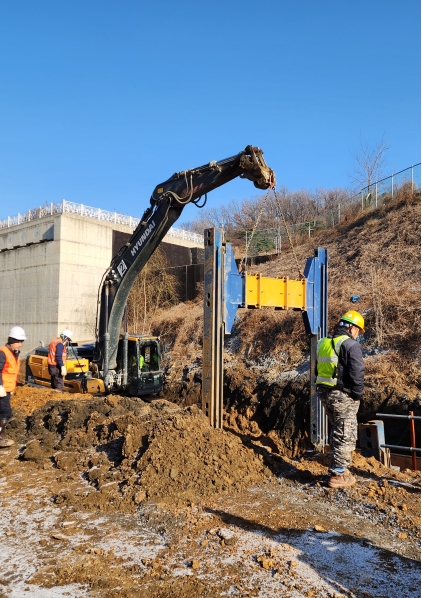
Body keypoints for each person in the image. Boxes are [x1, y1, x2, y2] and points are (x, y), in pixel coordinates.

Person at [316, 310, 365, 489]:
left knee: (338, 429)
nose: (357, 335)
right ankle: (338, 474)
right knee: (345, 432)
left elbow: (317, 368)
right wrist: (356, 395)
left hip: (324, 392)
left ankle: (340, 469)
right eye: (358, 331)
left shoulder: (324, 342)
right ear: (352, 328)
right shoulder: (350, 345)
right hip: (342, 395)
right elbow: (357, 373)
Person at [0, 326, 26, 448]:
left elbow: (12, 373)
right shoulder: (3, 353)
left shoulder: (15, 354)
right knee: (5, 413)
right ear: (11, 340)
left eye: (21, 342)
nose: (20, 344)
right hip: (2, 389)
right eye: (18, 342)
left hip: (8, 389)